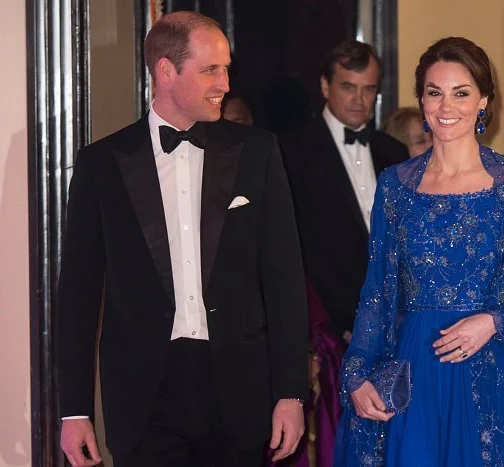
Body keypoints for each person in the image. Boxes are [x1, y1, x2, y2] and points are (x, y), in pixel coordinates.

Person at [56, 11, 307, 467]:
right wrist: (73, 410)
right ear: (166, 71)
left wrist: (291, 392)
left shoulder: (257, 152)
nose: (225, 83)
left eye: (226, 68)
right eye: (211, 69)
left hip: (239, 390)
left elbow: (285, 280)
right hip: (144, 398)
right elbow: (77, 294)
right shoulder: (102, 165)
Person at [334, 36, 504, 466]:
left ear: (483, 101)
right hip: (414, 367)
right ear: (422, 100)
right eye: (434, 93)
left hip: (487, 366)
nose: (446, 106)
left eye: (461, 93)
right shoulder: (395, 186)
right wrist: (358, 372)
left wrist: (493, 321)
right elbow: (377, 290)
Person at [280, 40, 409, 348]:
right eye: (348, 87)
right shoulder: (291, 152)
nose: (358, 100)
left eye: (368, 89)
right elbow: (295, 250)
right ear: (325, 86)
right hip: (327, 329)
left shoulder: (394, 152)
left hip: (394, 323)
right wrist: (337, 324)